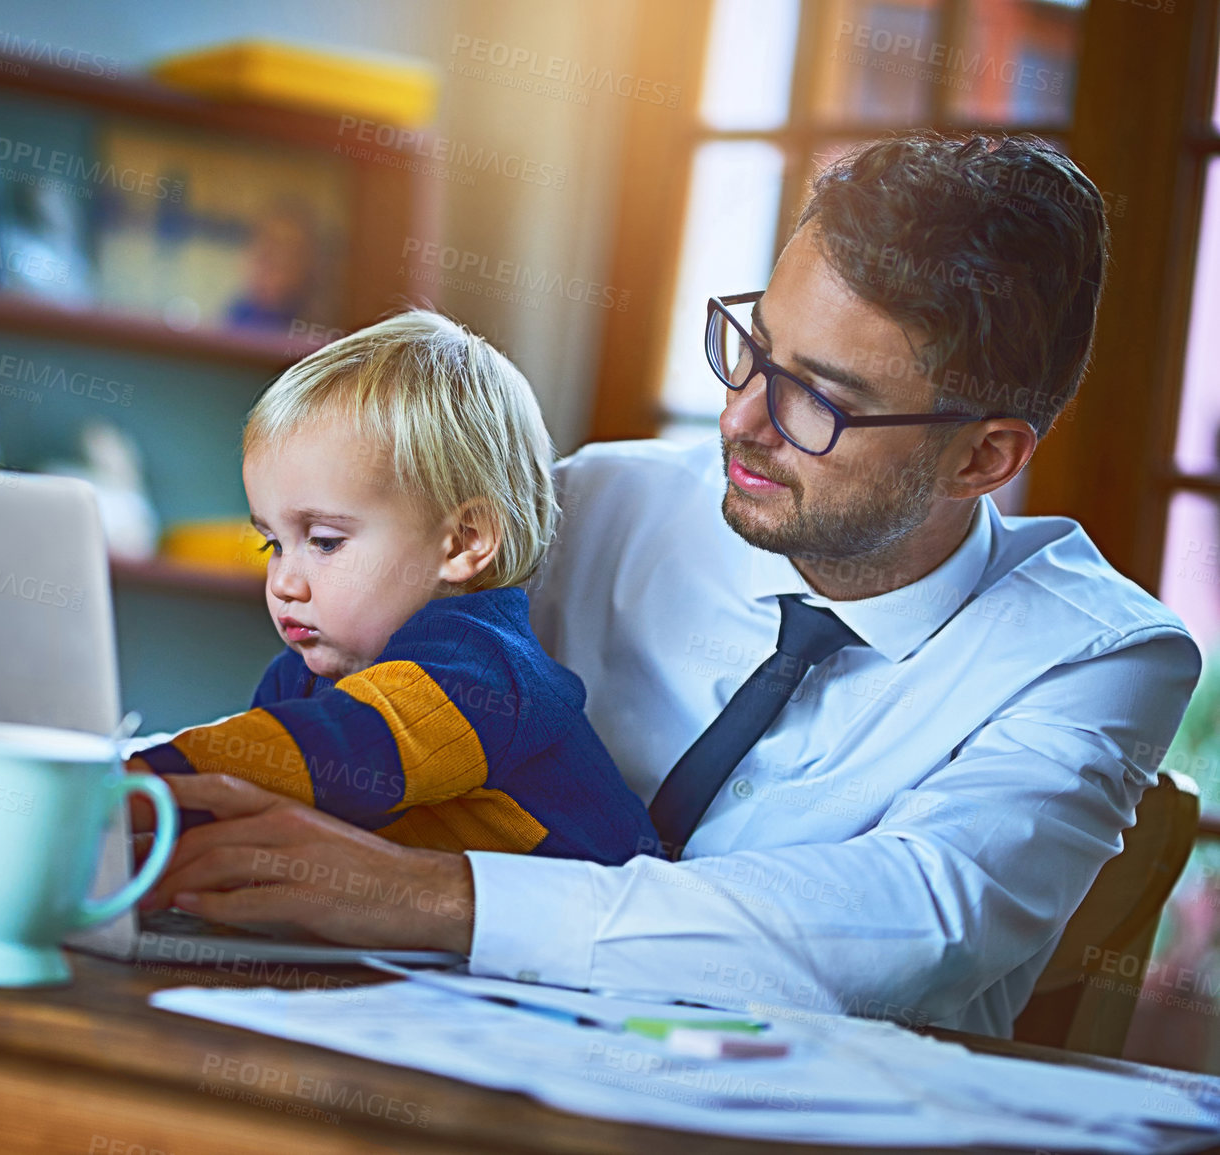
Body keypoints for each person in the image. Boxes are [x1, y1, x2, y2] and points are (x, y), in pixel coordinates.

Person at [138, 132, 1203, 1039]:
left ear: (984, 459)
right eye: (752, 348)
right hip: (448, 1066)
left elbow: (914, 928)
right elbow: (364, 717)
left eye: (818, 402)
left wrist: (425, 898)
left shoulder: (1096, 655)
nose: (740, 418)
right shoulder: (596, 501)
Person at [129, 310, 661, 867]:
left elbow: (344, 746)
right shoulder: (305, 676)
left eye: (326, 541)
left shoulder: (485, 672)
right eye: (273, 544)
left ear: (461, 543)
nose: (284, 581)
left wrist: (131, 785)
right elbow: (246, 805)